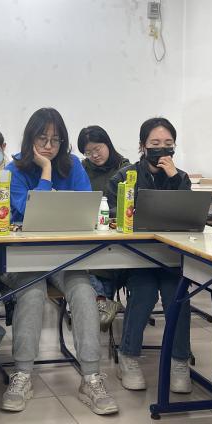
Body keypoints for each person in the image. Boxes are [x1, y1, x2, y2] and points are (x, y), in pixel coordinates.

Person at [0, 107, 118, 416]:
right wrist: (46, 171)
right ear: (30, 139)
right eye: (43, 138)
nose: (49, 146)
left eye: (56, 140)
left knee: (84, 292)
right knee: (32, 293)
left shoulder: (74, 166)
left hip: (65, 256)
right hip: (25, 260)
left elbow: (86, 206)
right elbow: (27, 212)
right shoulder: (13, 171)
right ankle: (22, 374)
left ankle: (91, 377)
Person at [104, 117, 193, 394]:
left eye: (168, 143)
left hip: (169, 257)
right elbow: (114, 215)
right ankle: (128, 356)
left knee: (177, 293)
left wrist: (174, 179)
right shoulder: (124, 177)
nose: (162, 149)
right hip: (135, 256)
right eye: (155, 143)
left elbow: (188, 217)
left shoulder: (181, 177)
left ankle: (180, 361)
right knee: (144, 291)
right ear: (142, 146)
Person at [78, 125, 130, 328]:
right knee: (78, 259)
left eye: (97, 148)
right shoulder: (82, 169)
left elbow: (130, 205)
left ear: (107, 144)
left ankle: (100, 302)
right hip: (89, 232)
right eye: (88, 152)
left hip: (117, 235)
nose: (94, 155)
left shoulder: (125, 168)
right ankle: (102, 302)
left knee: (102, 258)